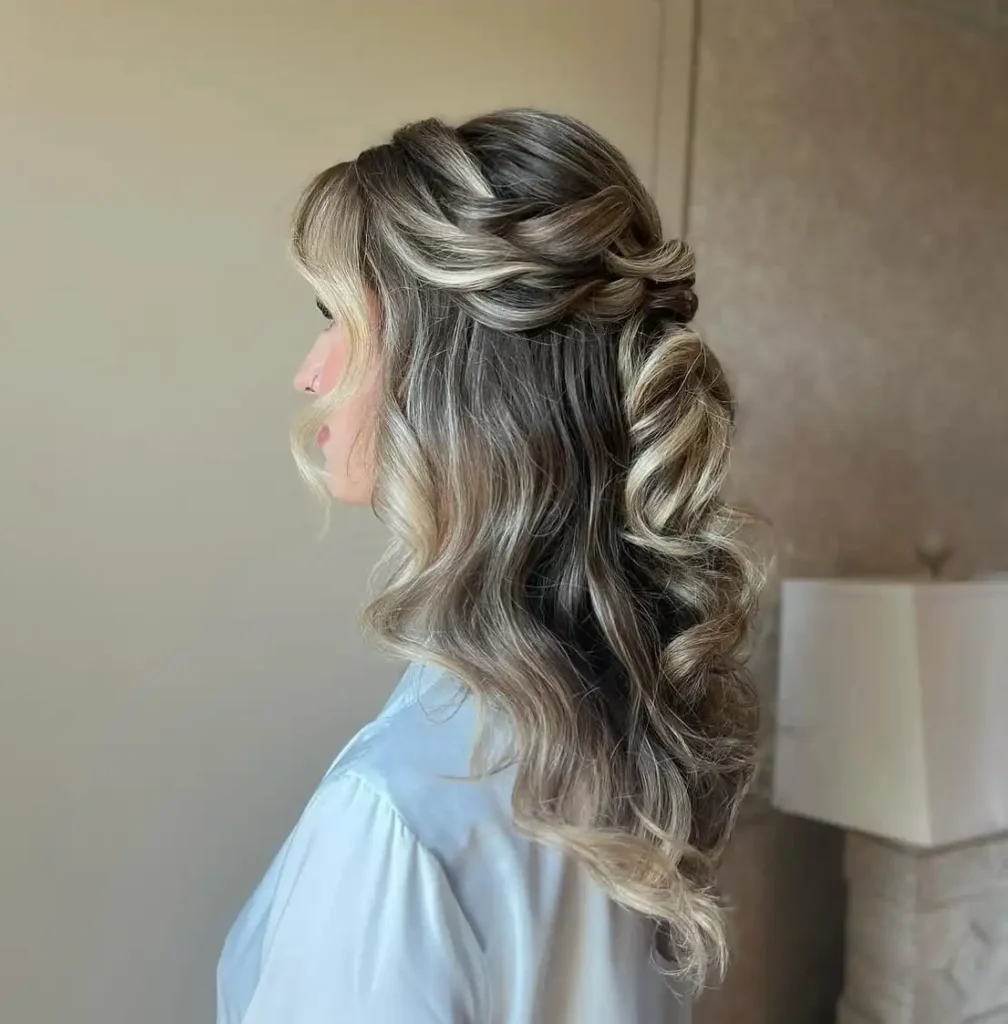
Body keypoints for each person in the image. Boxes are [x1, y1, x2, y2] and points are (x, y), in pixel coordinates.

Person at [216, 108, 761, 1024]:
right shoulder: (619, 710)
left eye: (335, 317)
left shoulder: (394, 822)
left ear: (452, 377)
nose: (310, 373)